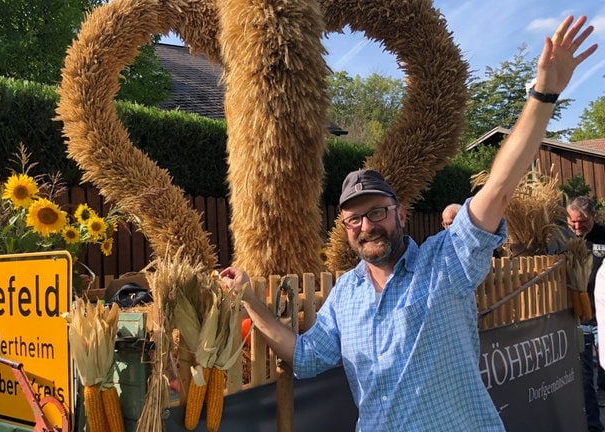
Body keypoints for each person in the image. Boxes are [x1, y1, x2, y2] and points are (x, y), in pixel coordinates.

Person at [220, 16, 597, 432]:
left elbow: (500, 188)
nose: (367, 226)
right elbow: (308, 358)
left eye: (377, 211)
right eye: (354, 219)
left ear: (400, 213)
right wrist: (252, 301)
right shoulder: (347, 294)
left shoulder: (447, 261)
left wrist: (543, 93)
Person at [569, 196, 605, 428]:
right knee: (584, 379)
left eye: (582, 221)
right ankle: (594, 425)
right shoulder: (563, 239)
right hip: (580, 320)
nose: (577, 227)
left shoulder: (604, 236)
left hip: (603, 318)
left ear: (593, 216)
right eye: (572, 222)